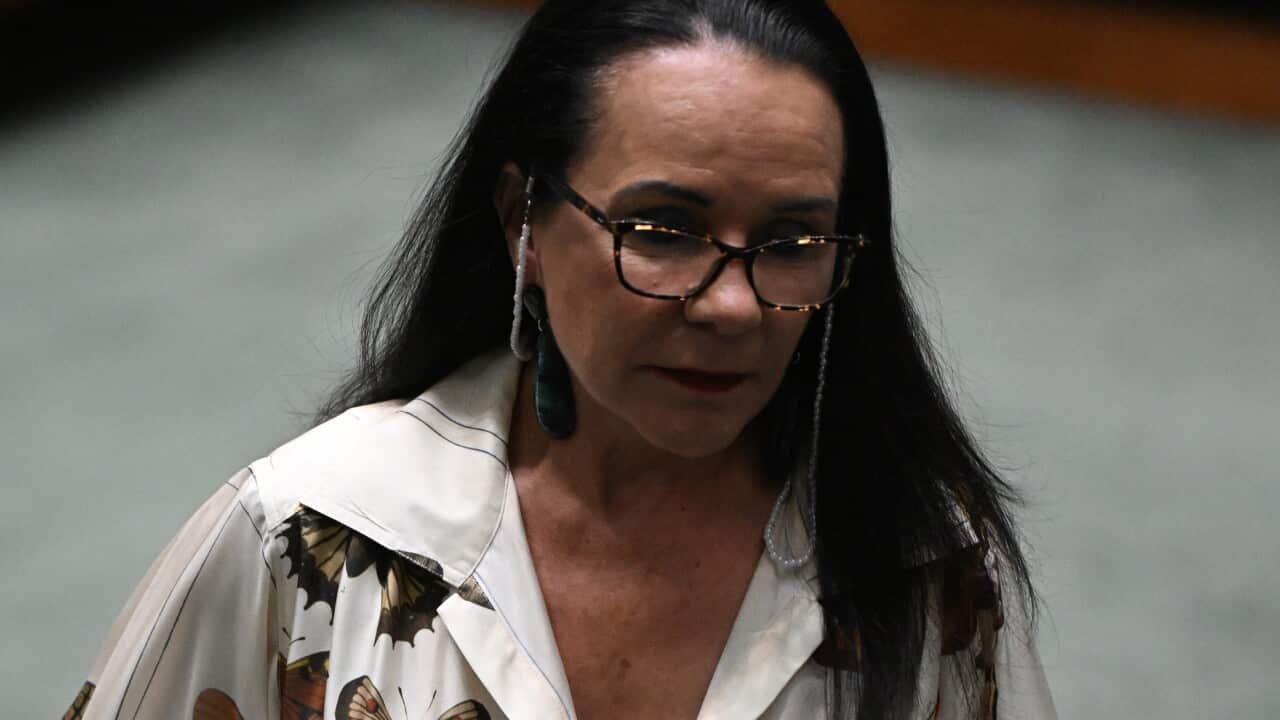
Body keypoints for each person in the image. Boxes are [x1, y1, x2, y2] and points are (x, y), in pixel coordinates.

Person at [64, 1, 1056, 719]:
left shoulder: (918, 564)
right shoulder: (307, 536)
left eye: (791, 243)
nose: (729, 303)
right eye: (663, 229)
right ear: (522, 222)